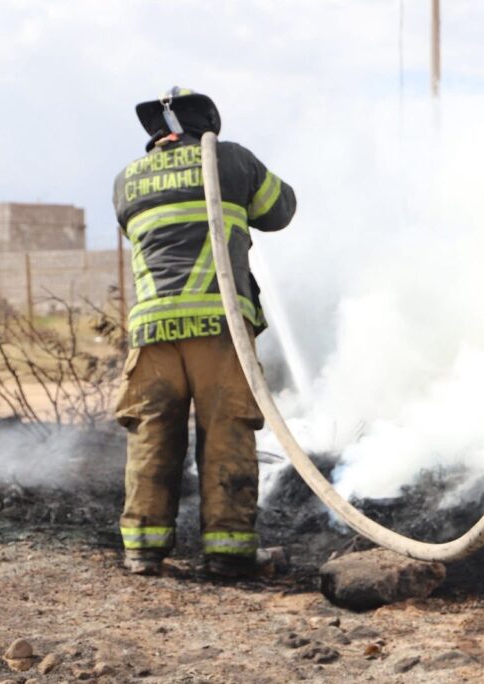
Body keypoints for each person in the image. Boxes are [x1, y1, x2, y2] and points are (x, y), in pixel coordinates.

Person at [112, 86, 296, 577]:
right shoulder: (230, 162)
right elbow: (281, 211)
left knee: (151, 435)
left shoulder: (125, 180)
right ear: (206, 125)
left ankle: (143, 550)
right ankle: (228, 554)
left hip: (152, 334)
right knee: (226, 434)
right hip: (219, 327)